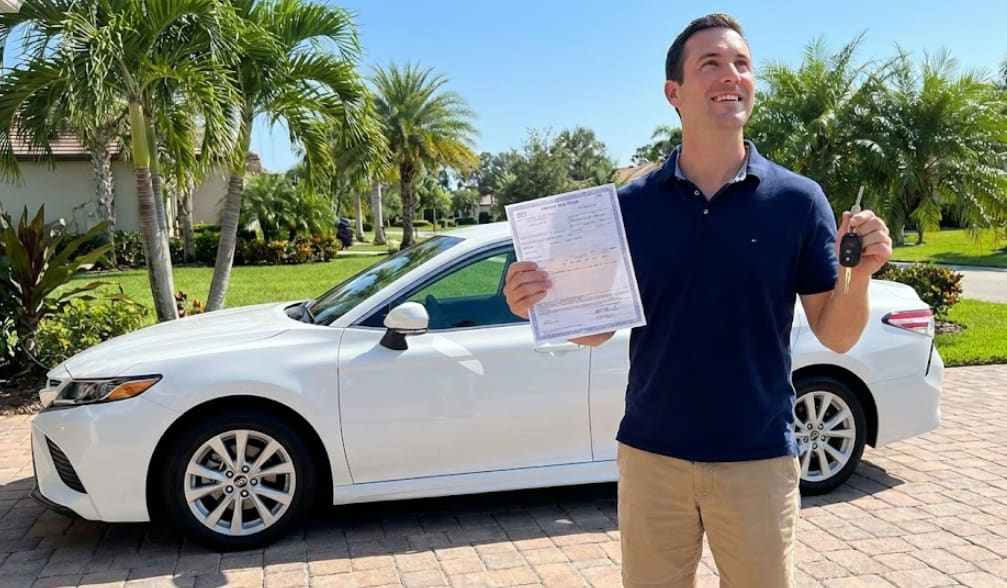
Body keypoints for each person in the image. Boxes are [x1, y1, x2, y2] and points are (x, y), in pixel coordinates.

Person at [503, 13, 892, 588]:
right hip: (652, 458)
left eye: (741, 64)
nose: (730, 75)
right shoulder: (629, 207)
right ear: (674, 93)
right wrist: (535, 301)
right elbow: (594, 330)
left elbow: (835, 335)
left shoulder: (798, 201)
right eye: (710, 63)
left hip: (759, 458)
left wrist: (860, 279)